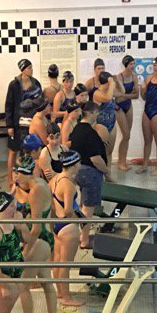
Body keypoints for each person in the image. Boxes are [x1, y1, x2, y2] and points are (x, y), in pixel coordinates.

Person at [12, 155, 58, 313]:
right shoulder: (41, 183)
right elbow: (51, 212)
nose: (16, 177)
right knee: (47, 283)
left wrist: (25, 253)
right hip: (45, 239)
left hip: (38, 240)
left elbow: (36, 227)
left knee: (22, 283)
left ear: (28, 173)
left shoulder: (35, 191)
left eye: (19, 174)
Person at [63, 101, 108, 250]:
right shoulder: (89, 132)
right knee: (88, 209)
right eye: (96, 113)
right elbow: (96, 159)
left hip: (79, 172)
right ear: (90, 113)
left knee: (84, 204)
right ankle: (84, 240)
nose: (98, 115)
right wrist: (107, 171)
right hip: (90, 173)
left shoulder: (77, 129)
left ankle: (82, 236)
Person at [48, 147, 86, 306]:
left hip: (57, 224)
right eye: (79, 162)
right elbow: (68, 210)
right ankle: (67, 298)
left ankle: (59, 293)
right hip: (68, 226)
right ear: (74, 165)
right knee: (65, 264)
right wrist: (78, 218)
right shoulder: (68, 184)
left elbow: (51, 204)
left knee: (57, 261)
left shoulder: (54, 179)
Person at [5, 58, 43, 189]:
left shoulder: (36, 83)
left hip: (30, 122)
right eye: (29, 68)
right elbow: (9, 105)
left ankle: (27, 176)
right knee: (13, 151)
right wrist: (9, 125)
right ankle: (11, 178)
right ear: (23, 70)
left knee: (27, 151)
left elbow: (40, 102)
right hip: (16, 123)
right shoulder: (14, 85)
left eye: (32, 68)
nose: (31, 70)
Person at [114, 54, 139, 171]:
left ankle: (123, 161)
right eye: (131, 64)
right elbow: (116, 97)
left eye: (134, 63)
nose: (133, 66)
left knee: (127, 137)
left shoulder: (134, 76)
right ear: (125, 65)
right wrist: (127, 95)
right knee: (126, 135)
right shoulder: (119, 77)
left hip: (128, 106)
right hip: (118, 108)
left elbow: (136, 95)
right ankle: (120, 162)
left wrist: (123, 96)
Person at [91, 70, 118, 161]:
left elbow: (122, 92)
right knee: (102, 153)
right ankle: (102, 174)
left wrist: (117, 81)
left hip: (112, 123)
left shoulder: (109, 91)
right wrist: (111, 83)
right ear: (107, 83)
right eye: (110, 82)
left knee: (109, 152)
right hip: (101, 125)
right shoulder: (96, 93)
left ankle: (108, 174)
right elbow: (108, 98)